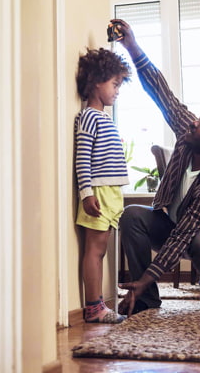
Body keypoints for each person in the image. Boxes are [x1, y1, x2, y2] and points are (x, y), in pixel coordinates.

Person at [110, 19, 200, 316]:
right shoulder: (190, 133)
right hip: (169, 223)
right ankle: (147, 298)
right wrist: (132, 46)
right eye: (199, 119)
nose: (194, 123)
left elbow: (185, 234)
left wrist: (146, 276)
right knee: (132, 215)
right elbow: (163, 95)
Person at [74, 47, 132, 323]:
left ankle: (101, 301)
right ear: (97, 81)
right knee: (94, 250)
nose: (117, 91)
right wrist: (86, 193)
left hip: (111, 192)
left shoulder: (103, 117)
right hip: (97, 191)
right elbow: (82, 157)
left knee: (102, 249)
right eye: (115, 84)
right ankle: (94, 306)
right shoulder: (88, 117)